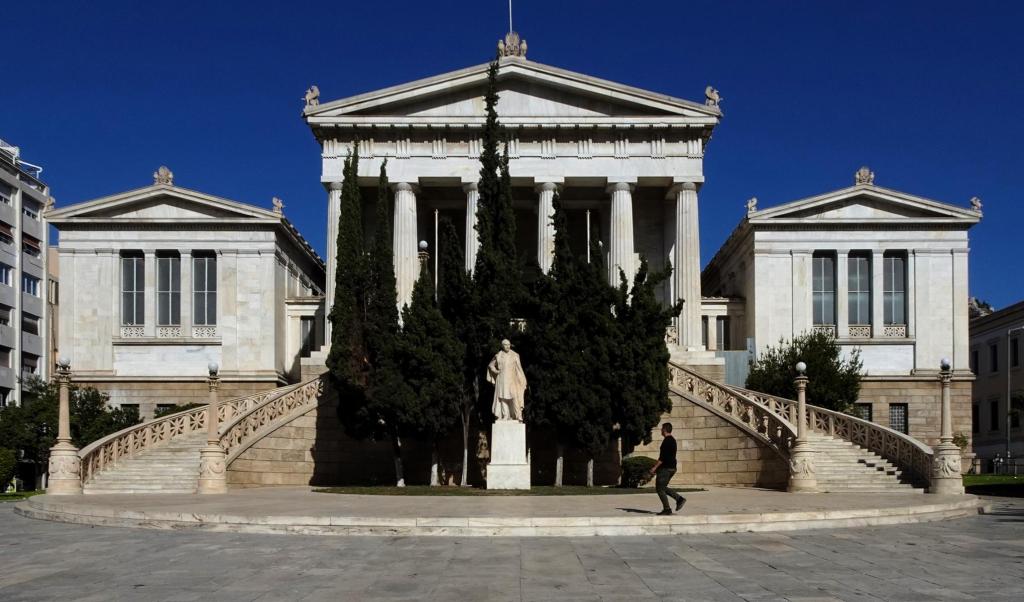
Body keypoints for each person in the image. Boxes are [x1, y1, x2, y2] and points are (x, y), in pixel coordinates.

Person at [648, 422, 685, 515]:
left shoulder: (666, 441)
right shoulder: (673, 440)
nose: (661, 430)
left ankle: (668, 508)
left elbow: (662, 458)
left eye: (661, 429)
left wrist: (654, 468)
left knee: (660, 488)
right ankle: (679, 499)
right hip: (672, 468)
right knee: (662, 487)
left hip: (666, 468)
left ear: (664, 429)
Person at [487, 339, 527, 421]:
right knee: (503, 398)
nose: (508, 346)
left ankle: (518, 415)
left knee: (514, 396)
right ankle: (505, 415)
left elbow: (519, 368)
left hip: (512, 379)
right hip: (501, 379)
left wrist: (522, 378)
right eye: (505, 345)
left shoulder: (515, 355)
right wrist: (496, 371)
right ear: (502, 346)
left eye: (509, 344)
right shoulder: (498, 355)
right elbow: (491, 365)